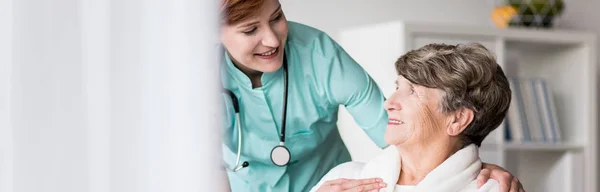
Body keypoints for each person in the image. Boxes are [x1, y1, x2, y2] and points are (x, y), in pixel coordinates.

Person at [218, 0, 524, 191]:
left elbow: (395, 129)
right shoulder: (189, 77)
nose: (272, 38)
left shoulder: (318, 55)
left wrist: (470, 164)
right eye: (249, 30)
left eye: (277, 16)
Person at [311, 43, 515, 192]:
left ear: (458, 119)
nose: (388, 103)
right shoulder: (341, 180)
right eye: (397, 87)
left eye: (413, 92)